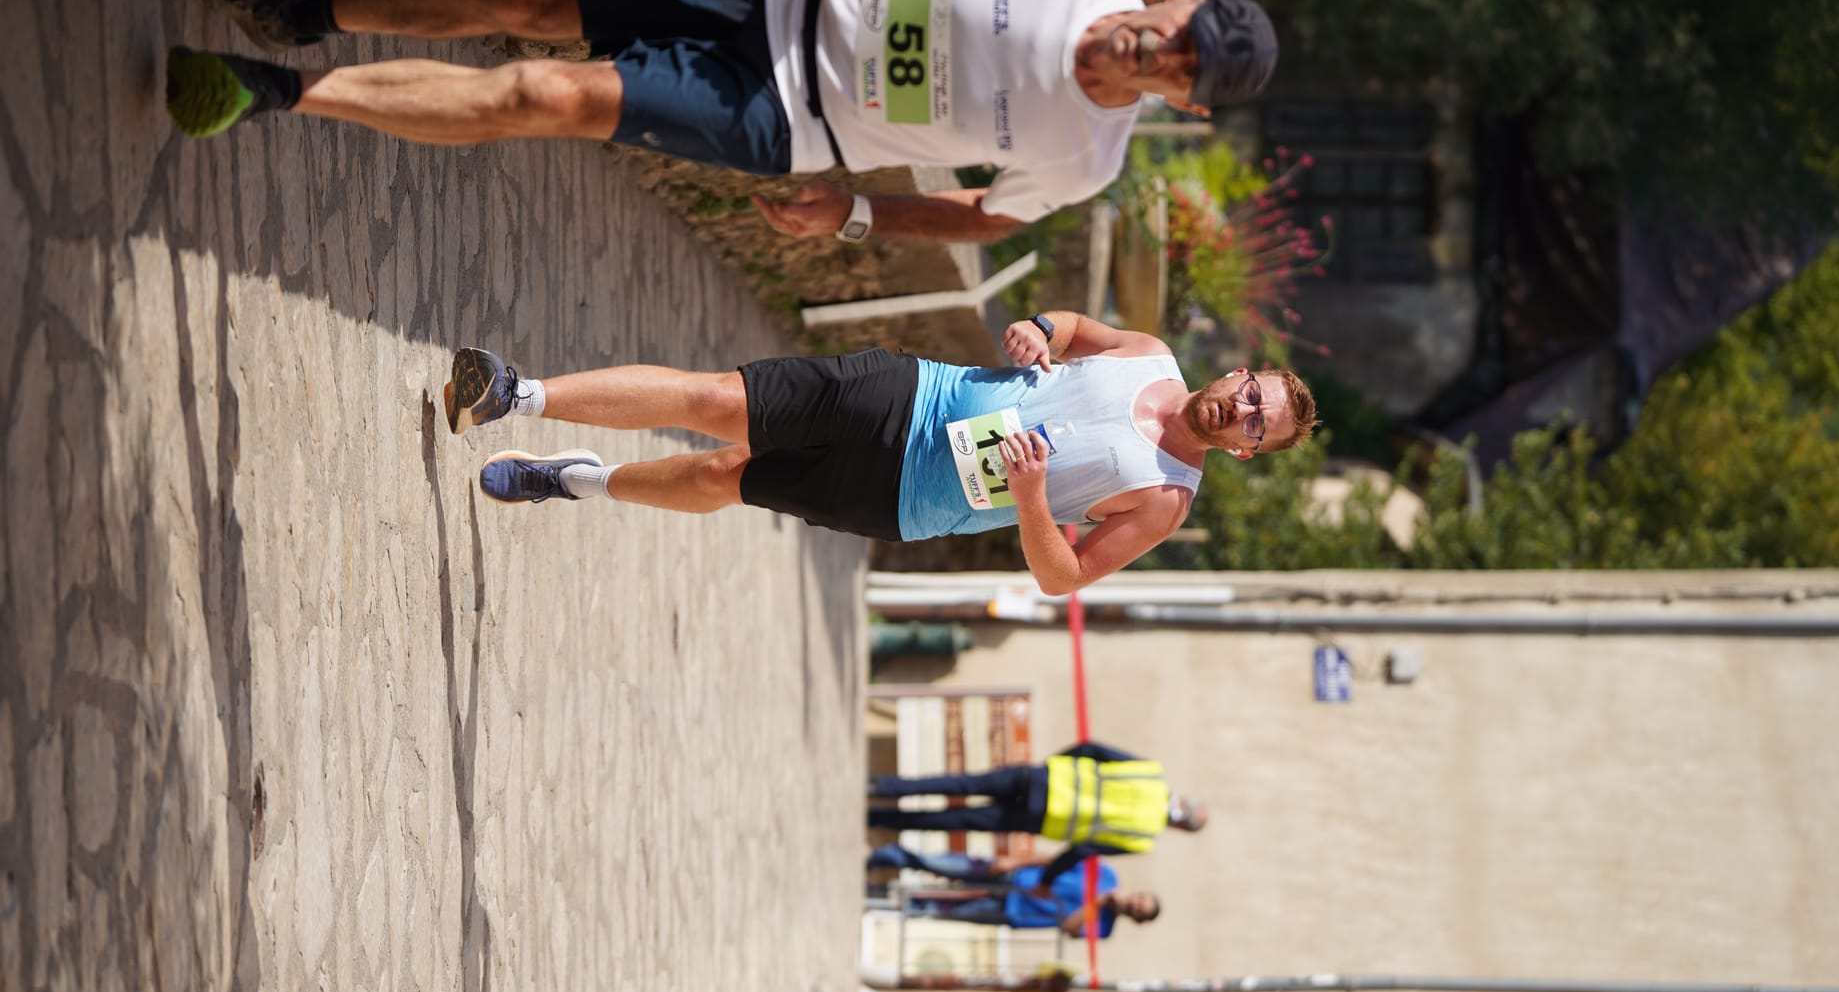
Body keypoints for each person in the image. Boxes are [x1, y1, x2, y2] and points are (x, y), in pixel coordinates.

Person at [166, 0, 1279, 243]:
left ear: (1186, 106)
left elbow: (986, 219)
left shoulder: (1084, 158)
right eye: (1187, 33)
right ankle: (304, 10)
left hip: (785, 112)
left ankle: (279, 93)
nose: (1166, 54)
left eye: (1189, 73)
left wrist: (850, 216)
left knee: (544, 92)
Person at [451, 309, 1315, 594]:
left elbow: (1064, 577)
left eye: (1253, 424)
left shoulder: (1165, 498)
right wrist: (1040, 327)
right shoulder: (1151, 353)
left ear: (1246, 452)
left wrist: (1029, 495)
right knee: (721, 401)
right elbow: (1077, 328)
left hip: (906, 498)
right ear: (1239, 371)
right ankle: (515, 394)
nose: (1239, 410)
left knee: (726, 475)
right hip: (913, 391)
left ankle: (574, 482)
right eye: (1250, 394)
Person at [868, 740, 1205, 884]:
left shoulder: (1150, 772)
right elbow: (1082, 850)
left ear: (1184, 799)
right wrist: (1047, 879)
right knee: (956, 821)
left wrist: (1053, 765)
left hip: (1039, 778)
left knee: (961, 784)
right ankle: (880, 819)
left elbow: (1091, 748)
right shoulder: (1144, 838)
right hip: (1040, 817)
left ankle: (883, 788)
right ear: (1179, 828)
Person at [869, 843, 1158, 939]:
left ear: (1136, 919)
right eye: (1140, 901)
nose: (1135, 905)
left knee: (937, 908)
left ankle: (878, 898)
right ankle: (893, 857)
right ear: (1139, 893)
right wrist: (1016, 860)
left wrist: (1100, 902)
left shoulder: (1104, 929)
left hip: (1014, 911)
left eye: (1139, 911)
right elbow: (1055, 860)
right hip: (1015, 876)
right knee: (945, 865)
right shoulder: (1105, 873)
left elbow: (1069, 927)